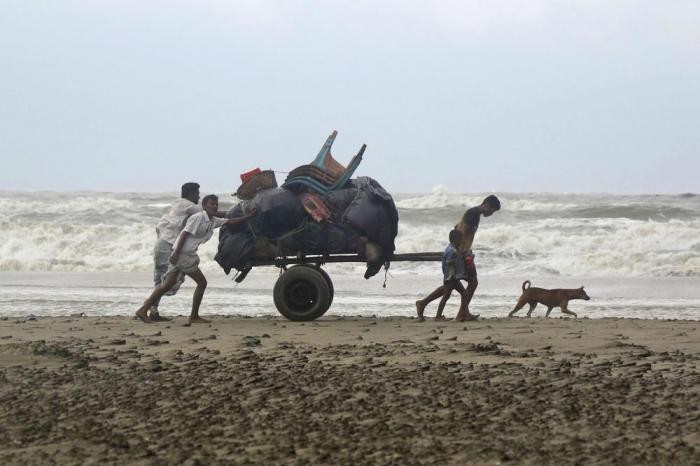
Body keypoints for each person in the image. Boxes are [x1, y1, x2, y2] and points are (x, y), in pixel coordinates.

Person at [135, 194, 255, 324]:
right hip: (183, 255)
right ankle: (194, 316)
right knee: (202, 283)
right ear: (203, 206)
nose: (214, 206)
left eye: (216, 204)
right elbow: (184, 234)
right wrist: (176, 253)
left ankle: (142, 310)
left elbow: (230, 221)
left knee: (166, 285)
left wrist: (248, 217)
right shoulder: (197, 218)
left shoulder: (213, 220)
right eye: (211, 204)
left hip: (185, 254)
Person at [415, 194, 501, 322]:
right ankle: (462, 313)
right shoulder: (473, 214)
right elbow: (463, 231)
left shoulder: (474, 214)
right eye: (492, 210)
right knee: (472, 282)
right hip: (461, 254)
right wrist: (462, 252)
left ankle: (424, 303)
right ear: (487, 205)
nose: (491, 214)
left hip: (461, 252)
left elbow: (456, 227)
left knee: (452, 284)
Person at [148, 182, 202, 321]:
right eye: (197, 193)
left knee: (160, 278)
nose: (199, 196)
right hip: (168, 244)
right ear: (190, 193)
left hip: (162, 242)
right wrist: (232, 214)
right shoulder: (188, 204)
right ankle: (146, 310)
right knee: (168, 279)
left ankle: (152, 311)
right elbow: (207, 214)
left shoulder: (177, 204)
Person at [415, 229, 469, 321]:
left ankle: (463, 313)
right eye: (460, 239)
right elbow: (450, 265)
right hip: (451, 278)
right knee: (446, 296)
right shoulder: (452, 251)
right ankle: (438, 316)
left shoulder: (453, 249)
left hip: (453, 277)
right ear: (456, 240)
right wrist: (452, 277)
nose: (462, 241)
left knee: (463, 294)